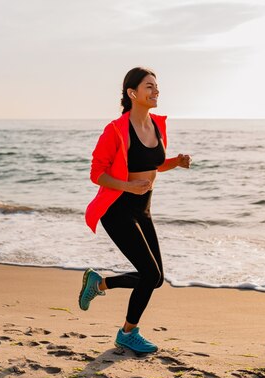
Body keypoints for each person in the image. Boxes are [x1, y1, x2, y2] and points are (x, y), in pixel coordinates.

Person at [80, 67, 192, 354]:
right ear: (133, 93)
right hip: (117, 210)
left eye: (156, 86)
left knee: (154, 278)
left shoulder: (156, 125)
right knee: (150, 274)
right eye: (149, 87)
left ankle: (100, 283)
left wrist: (175, 162)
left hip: (143, 209)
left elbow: (152, 164)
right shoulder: (116, 130)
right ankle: (128, 333)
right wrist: (127, 187)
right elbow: (97, 173)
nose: (156, 91)